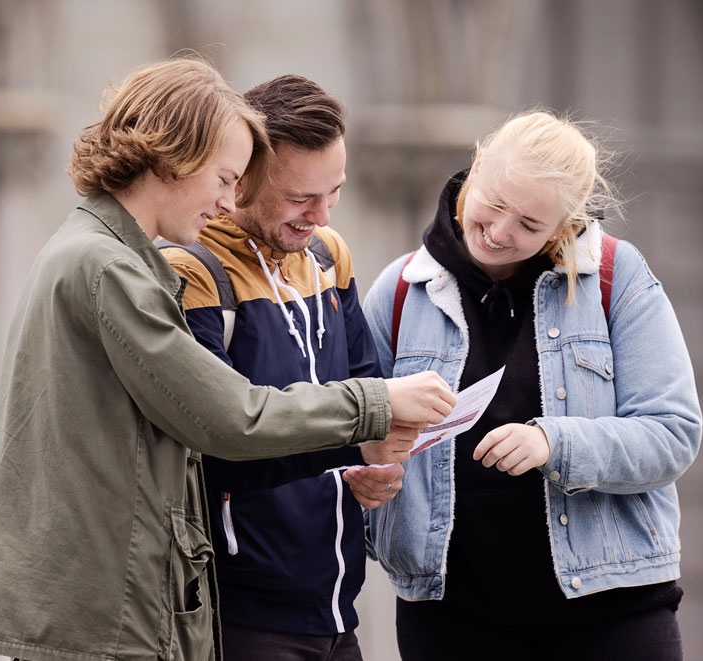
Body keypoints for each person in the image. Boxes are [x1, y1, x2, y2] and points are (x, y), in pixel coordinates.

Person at [0, 56, 455, 661]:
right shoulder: (109, 266)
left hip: (104, 610)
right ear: (176, 159)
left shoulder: (98, 251)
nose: (226, 201)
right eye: (225, 178)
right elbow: (227, 418)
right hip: (102, 618)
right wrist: (376, 405)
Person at [362, 111, 702, 660]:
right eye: (493, 204)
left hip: (611, 608)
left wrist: (553, 443)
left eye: (528, 224)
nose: (499, 233)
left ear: (565, 224)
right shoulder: (399, 291)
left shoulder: (618, 276)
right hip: (451, 617)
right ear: (475, 168)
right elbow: (351, 430)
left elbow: (674, 434)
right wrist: (366, 474)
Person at [160, 75, 404, 661]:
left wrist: (379, 465)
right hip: (242, 611)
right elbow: (214, 447)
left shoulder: (327, 254)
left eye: (334, 192)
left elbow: (367, 394)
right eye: (301, 198)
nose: (320, 216)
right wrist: (353, 439)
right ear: (239, 180)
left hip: (338, 600)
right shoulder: (190, 268)